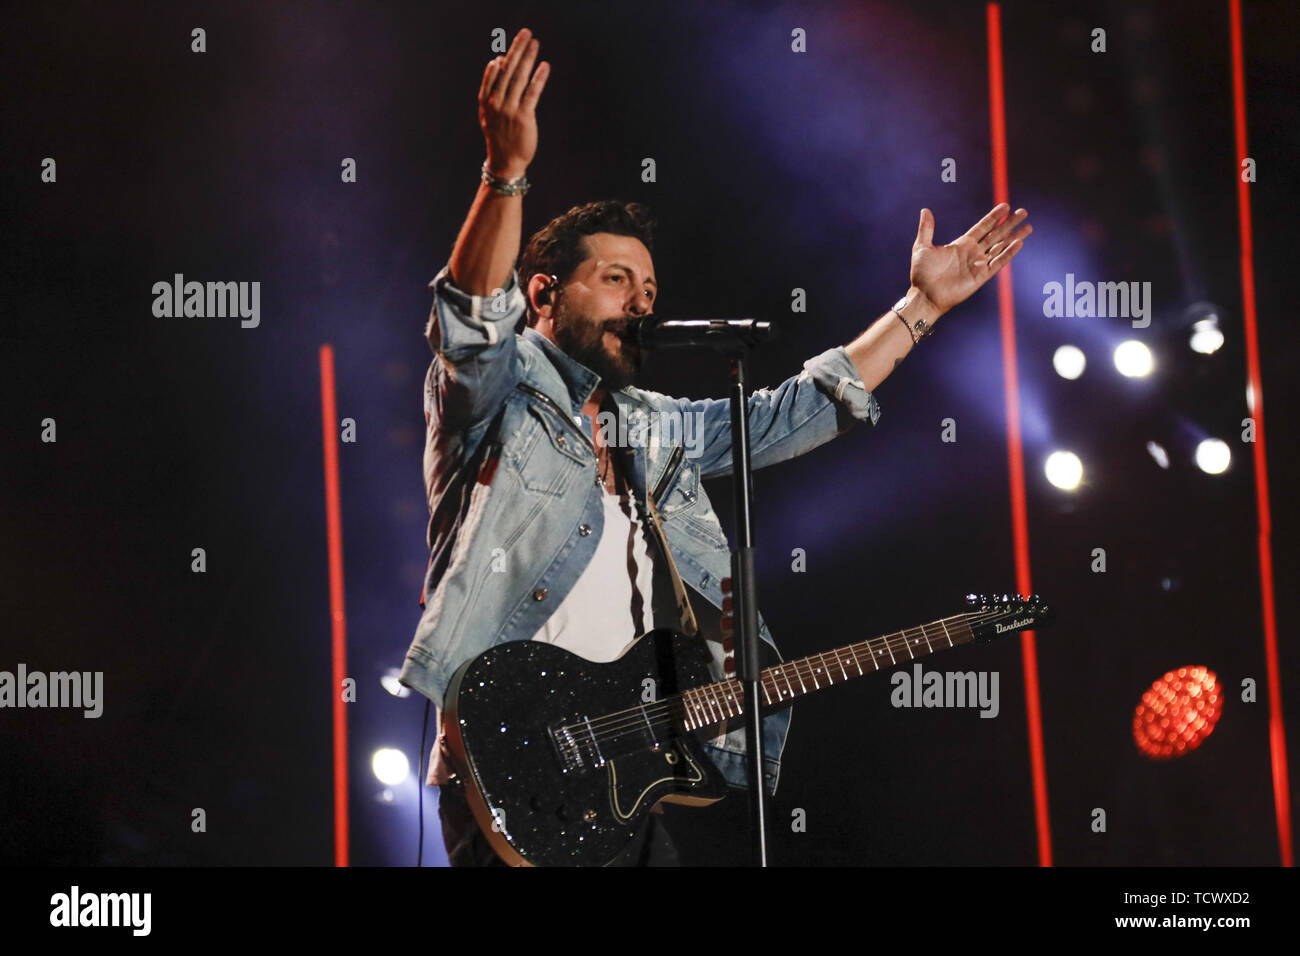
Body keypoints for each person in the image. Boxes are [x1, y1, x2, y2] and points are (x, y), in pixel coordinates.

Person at [398, 27, 1033, 866]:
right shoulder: (496, 393)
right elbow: (472, 316)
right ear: (544, 291)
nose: (641, 301)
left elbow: (793, 411)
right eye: (617, 279)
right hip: (508, 765)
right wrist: (506, 171)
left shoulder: (654, 425)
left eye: (651, 287)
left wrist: (921, 309)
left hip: (619, 779)